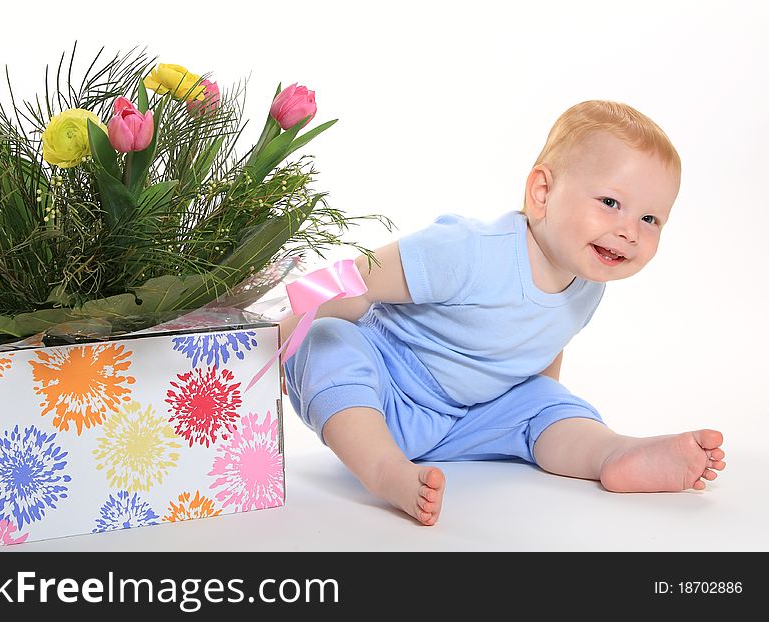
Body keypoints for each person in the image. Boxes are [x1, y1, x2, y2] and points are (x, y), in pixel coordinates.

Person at [279, 100, 725, 526]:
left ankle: (612, 454)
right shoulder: (468, 251)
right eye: (611, 203)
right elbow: (357, 278)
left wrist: (543, 407)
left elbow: (545, 346)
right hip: (384, 388)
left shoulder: (588, 284)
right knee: (328, 340)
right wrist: (276, 338)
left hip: (469, 417)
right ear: (543, 192)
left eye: (651, 220)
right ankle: (383, 470)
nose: (629, 231)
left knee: (549, 402)